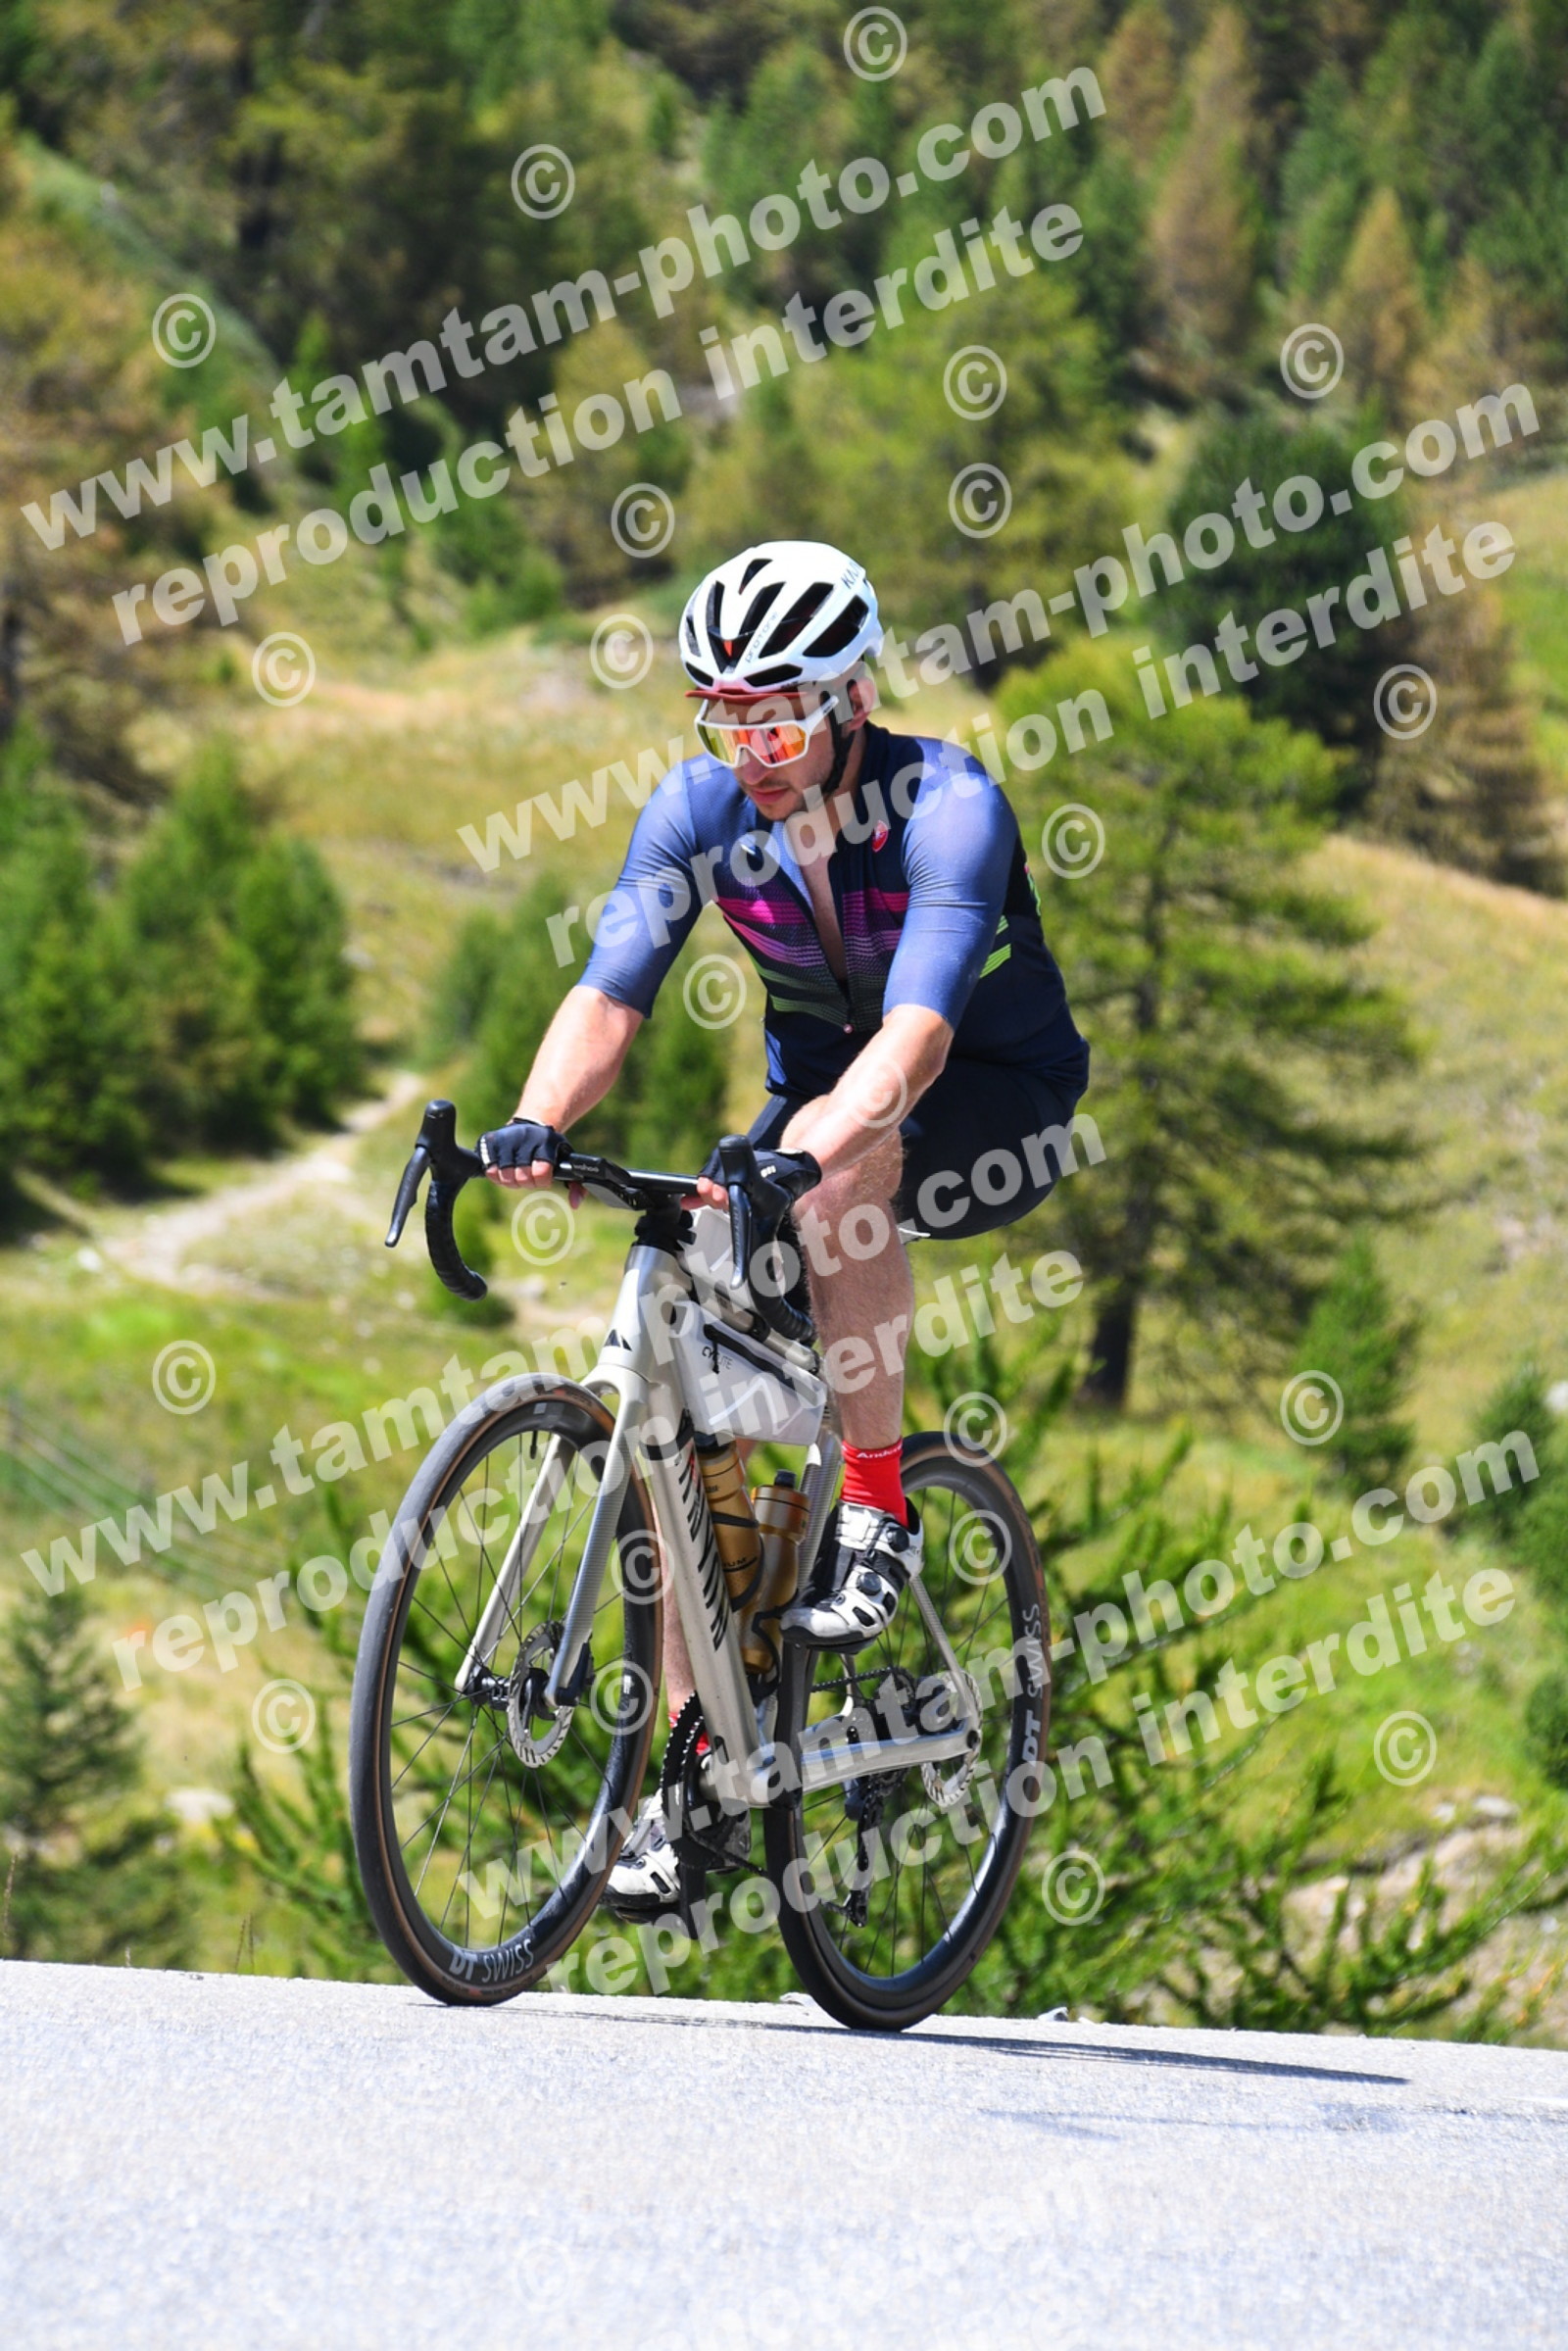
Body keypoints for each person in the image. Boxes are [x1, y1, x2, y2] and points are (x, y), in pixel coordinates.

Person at [479, 538, 1089, 1912]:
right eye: (725, 719)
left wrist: (812, 1156)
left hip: (990, 1099)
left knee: (837, 1182)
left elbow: (917, 1035)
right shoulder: (700, 812)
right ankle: (703, 1758)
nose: (750, 750)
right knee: (677, 1372)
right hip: (813, 1105)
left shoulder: (949, 806)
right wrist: (535, 1119)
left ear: (852, 698)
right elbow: (612, 990)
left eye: (777, 718)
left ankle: (875, 1504)